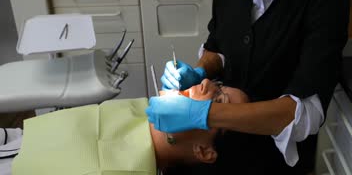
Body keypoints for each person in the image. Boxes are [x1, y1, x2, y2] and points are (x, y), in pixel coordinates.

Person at [145, 0, 350, 174]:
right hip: (222, 147)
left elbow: (301, 113)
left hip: (272, 160)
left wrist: (203, 113)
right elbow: (218, 46)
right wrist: (198, 73)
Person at [10, 81, 249, 175]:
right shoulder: (132, 114)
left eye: (219, 101)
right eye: (218, 84)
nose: (205, 83)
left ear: (204, 151)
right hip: (13, 142)